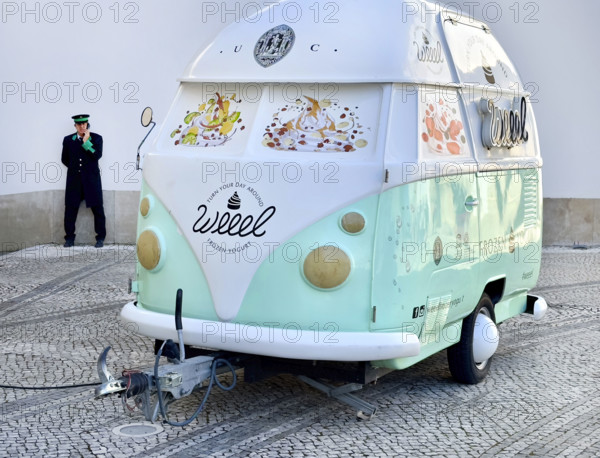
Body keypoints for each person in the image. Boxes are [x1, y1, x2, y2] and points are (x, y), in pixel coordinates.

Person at [61, 114, 106, 248]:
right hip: (74, 181)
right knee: (70, 210)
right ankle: (69, 238)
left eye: (84, 124)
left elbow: (97, 155)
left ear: (87, 125)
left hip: (92, 181)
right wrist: (76, 170)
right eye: (79, 124)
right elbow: (64, 159)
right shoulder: (68, 140)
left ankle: (100, 238)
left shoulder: (97, 138)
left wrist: (87, 142)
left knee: (98, 209)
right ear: (75, 126)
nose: (82, 126)